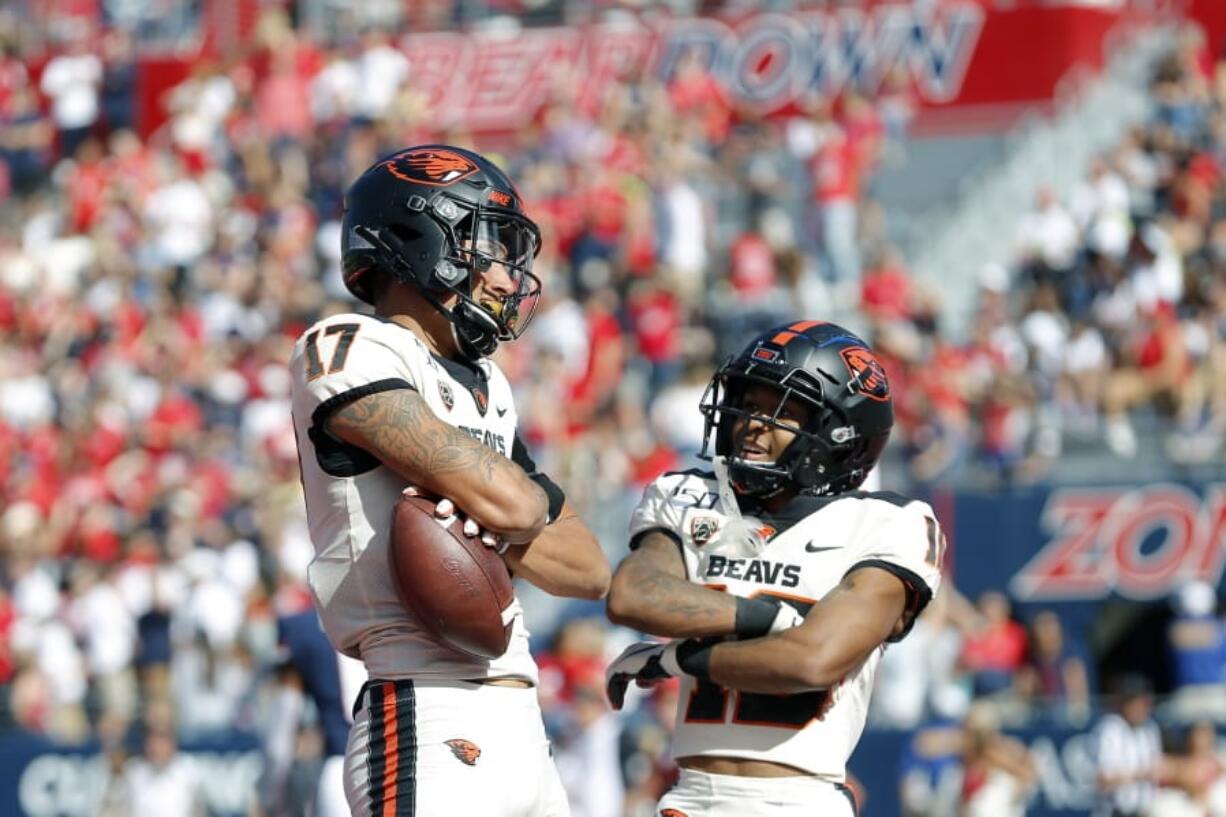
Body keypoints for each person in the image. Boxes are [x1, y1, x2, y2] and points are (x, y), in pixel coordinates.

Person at [289, 144, 611, 817]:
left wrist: (475, 509)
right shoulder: (349, 344)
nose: (504, 274)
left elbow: (585, 567)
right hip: (423, 704)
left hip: (522, 714)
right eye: (487, 246)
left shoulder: (487, 382)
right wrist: (495, 509)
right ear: (423, 239)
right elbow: (515, 501)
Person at [604, 320, 945, 816]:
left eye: (781, 413)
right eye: (749, 403)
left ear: (838, 433)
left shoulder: (887, 523)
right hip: (689, 796)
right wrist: (770, 618)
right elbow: (633, 595)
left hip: (796, 800)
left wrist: (676, 659)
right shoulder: (693, 495)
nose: (751, 423)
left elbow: (812, 661)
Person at [1093, 674, 1166, 817]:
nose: (1139, 708)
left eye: (1143, 703)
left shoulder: (1150, 730)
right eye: (1134, 702)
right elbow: (1103, 779)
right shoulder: (1111, 728)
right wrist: (1140, 774)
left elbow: (1159, 769)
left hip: (1144, 811)